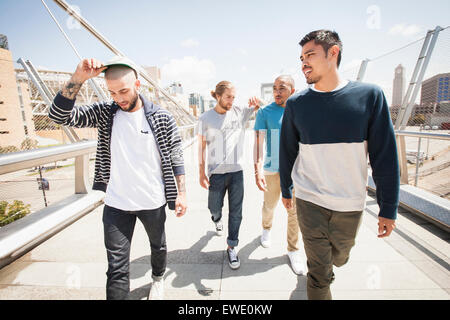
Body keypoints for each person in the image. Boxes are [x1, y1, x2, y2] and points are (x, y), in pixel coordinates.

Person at [48, 56, 187, 300]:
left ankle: (157, 278)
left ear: (138, 85)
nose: (119, 98)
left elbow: (176, 154)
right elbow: (59, 117)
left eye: (123, 90)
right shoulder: (105, 113)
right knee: (116, 269)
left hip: (152, 202)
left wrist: (182, 192)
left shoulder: (162, 117)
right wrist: (78, 78)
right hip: (116, 205)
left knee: (159, 246)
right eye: (112, 92)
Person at [279, 30, 400, 300]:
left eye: (310, 55)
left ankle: (326, 268)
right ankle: (320, 277)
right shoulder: (297, 104)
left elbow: (385, 157)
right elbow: (287, 150)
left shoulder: (370, 96)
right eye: (301, 57)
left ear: (333, 53)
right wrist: (287, 189)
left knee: (340, 257)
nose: (303, 63)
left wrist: (388, 207)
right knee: (319, 274)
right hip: (309, 201)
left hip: (350, 203)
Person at [198, 81, 259, 270]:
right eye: (228, 97)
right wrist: (201, 172)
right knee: (213, 207)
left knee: (236, 213)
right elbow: (201, 147)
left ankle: (232, 246)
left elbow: (262, 107)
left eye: (233, 97)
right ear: (217, 96)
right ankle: (216, 219)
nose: (231, 101)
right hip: (216, 174)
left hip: (236, 173)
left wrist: (258, 102)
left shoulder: (239, 112)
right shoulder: (205, 118)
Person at [253, 75, 305, 275]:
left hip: (297, 172)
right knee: (270, 206)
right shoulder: (265, 112)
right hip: (272, 170)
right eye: (274, 88)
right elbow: (258, 143)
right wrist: (257, 169)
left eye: (282, 88)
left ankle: (293, 250)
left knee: (294, 212)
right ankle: (266, 229)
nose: (277, 91)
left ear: (292, 90)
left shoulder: (301, 111)